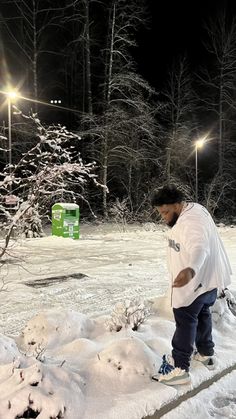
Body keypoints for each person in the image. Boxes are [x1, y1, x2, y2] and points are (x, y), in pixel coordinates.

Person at [151, 185, 232, 386]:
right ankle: (206, 354)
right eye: (161, 213)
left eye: (166, 212)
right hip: (208, 282)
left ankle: (180, 369)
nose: (164, 217)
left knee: (185, 322)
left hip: (194, 283)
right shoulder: (194, 209)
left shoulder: (191, 221)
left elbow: (199, 247)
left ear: (178, 205)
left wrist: (191, 270)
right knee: (203, 315)